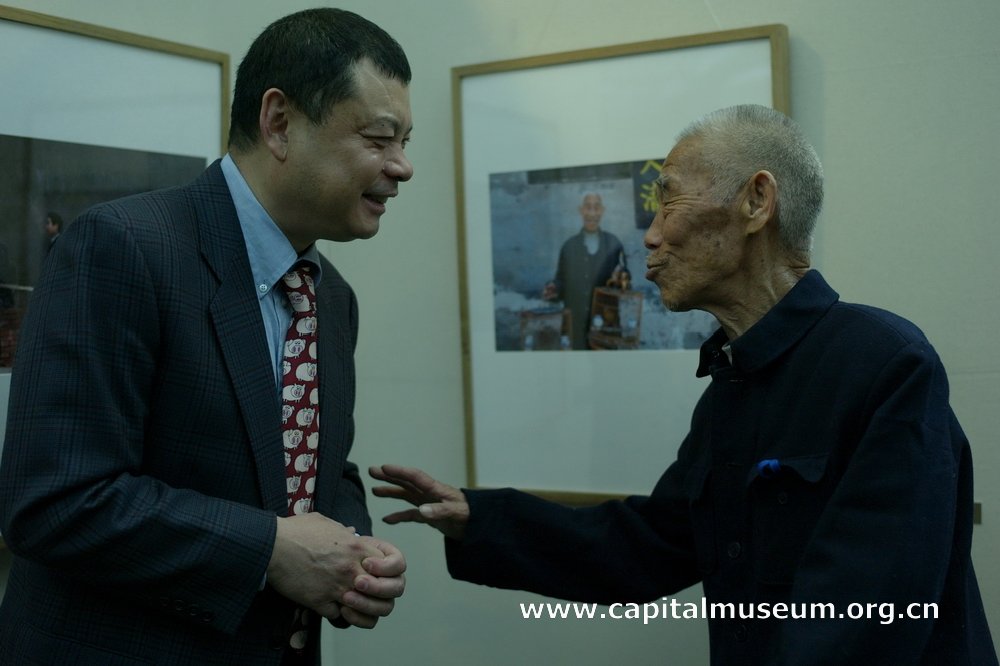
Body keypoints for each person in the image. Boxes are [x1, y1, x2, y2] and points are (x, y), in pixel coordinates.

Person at [370, 105, 997, 664]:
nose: (651, 235)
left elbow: (867, 618)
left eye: (667, 204)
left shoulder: (886, 364)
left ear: (757, 201)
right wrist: (480, 519)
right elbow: (651, 545)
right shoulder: (733, 380)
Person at [0, 8, 414, 665]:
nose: (402, 167)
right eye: (380, 138)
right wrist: (270, 550)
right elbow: (56, 501)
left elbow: (316, 466)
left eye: (405, 142)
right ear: (279, 123)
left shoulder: (332, 298)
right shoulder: (123, 248)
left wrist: (355, 551)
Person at [542, 192, 627, 349]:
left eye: (596, 207)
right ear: (581, 210)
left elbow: (625, 280)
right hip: (576, 324)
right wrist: (554, 288)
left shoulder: (614, 244)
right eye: (588, 207)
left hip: (606, 323)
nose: (592, 213)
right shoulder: (569, 247)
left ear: (602, 210)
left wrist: (621, 278)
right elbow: (561, 281)